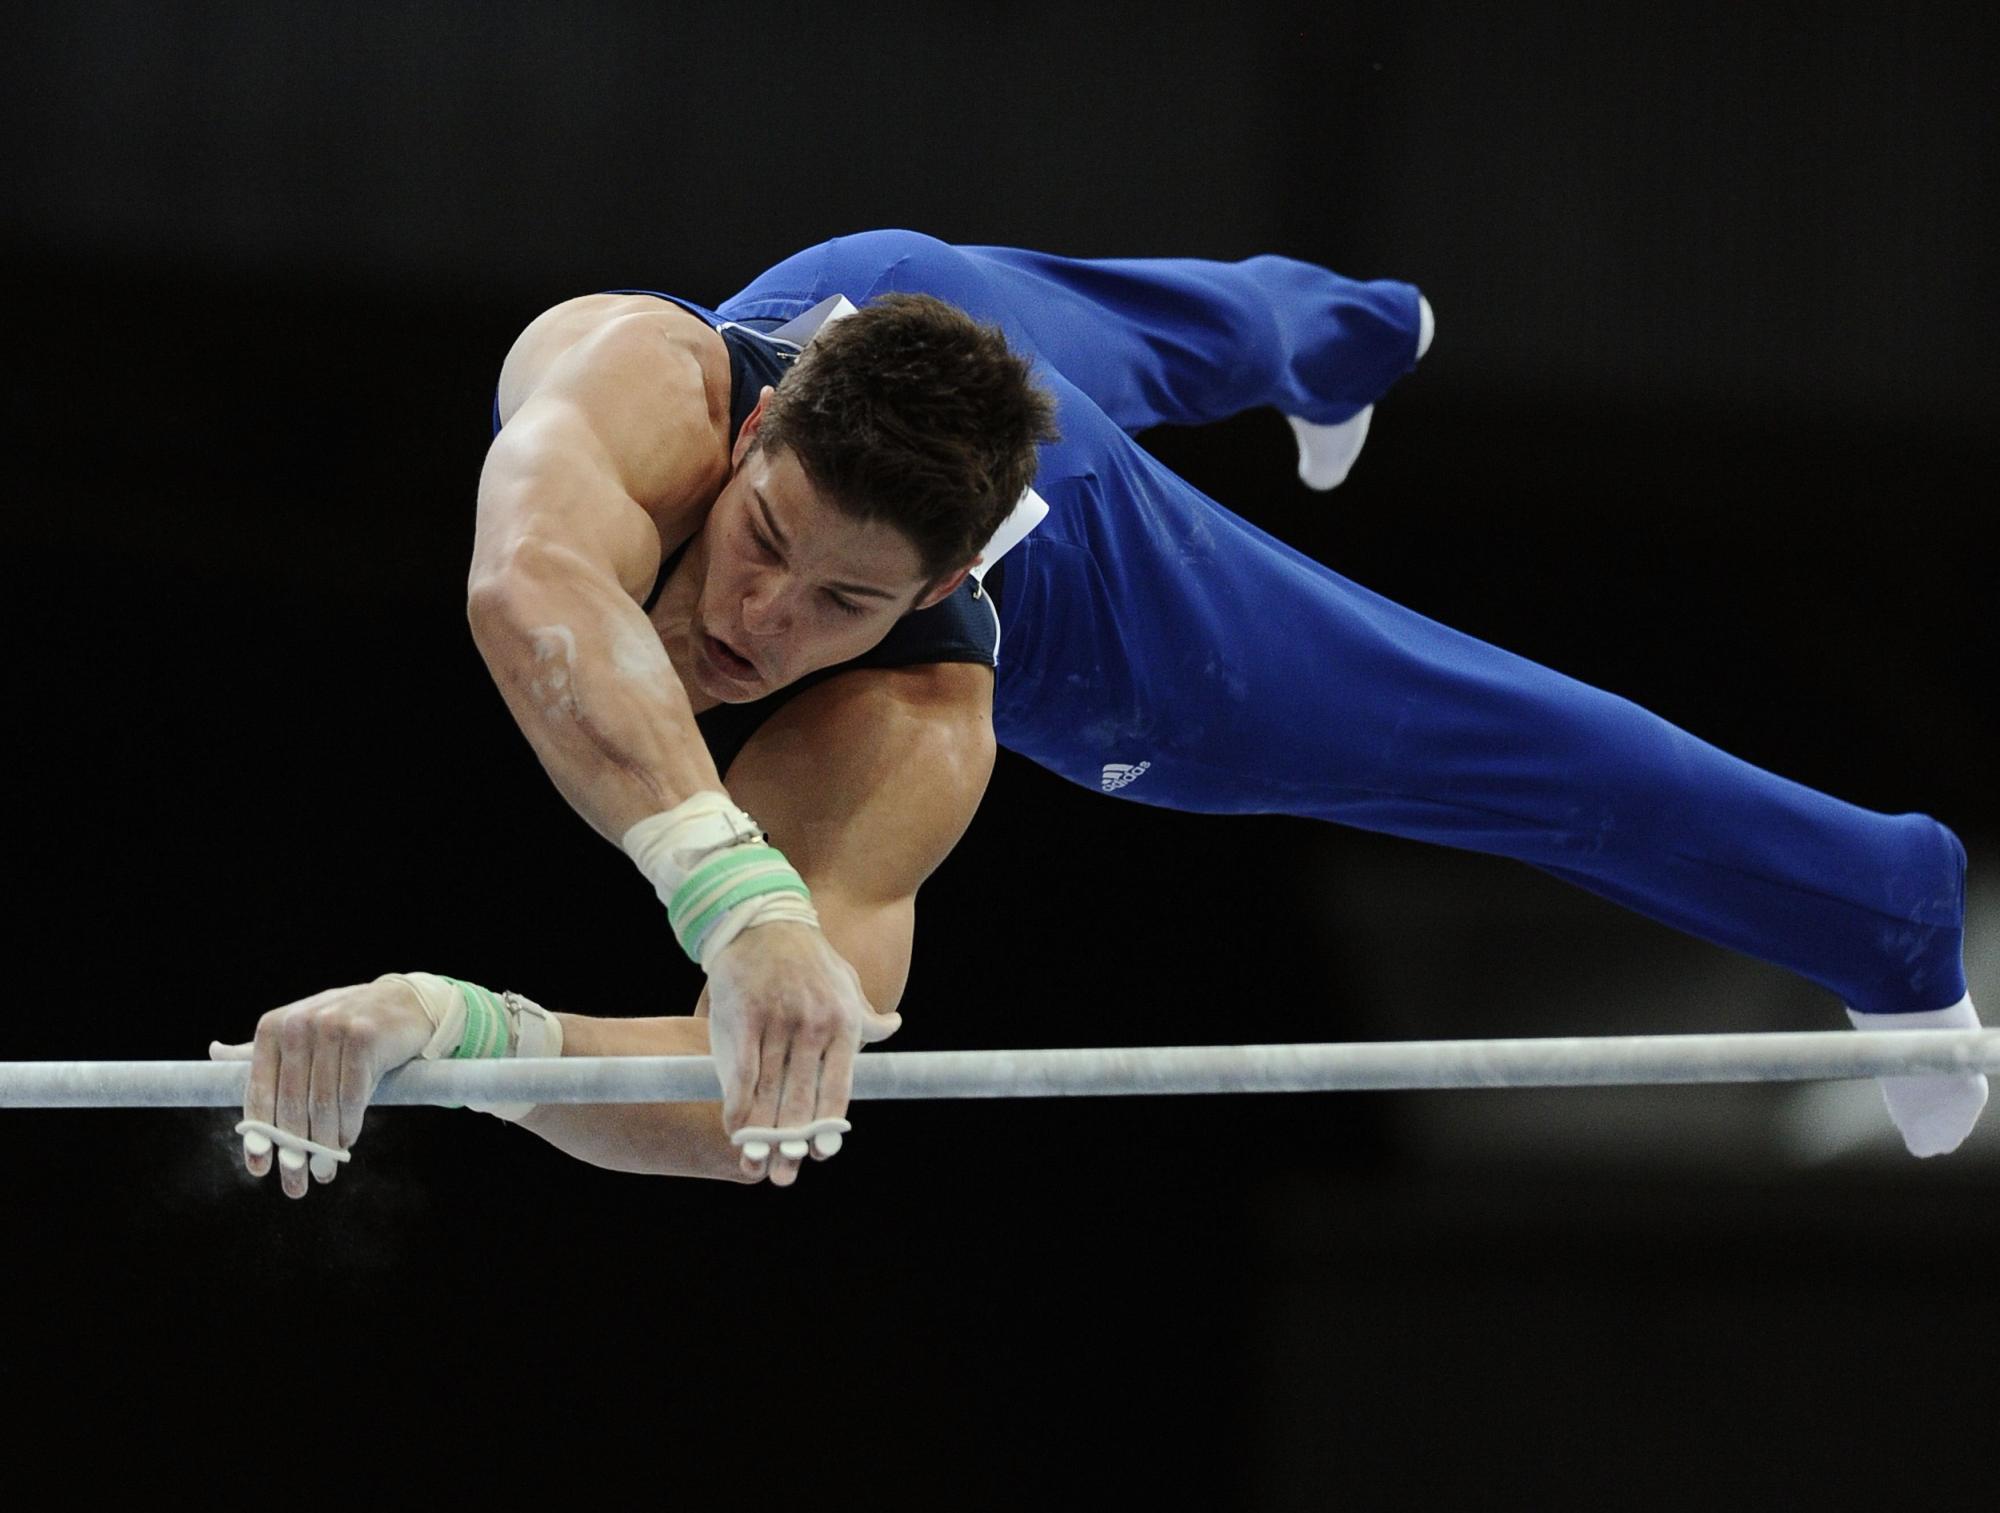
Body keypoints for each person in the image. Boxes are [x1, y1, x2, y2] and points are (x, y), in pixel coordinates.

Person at [212, 229, 1984, 1199]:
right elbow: (528, 596)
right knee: (1071, 326)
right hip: (907, 289)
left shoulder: (918, 708)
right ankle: (1347, 330)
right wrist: (733, 899)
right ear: (751, 434)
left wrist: (458, 1031)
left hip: (1107, 602)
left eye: (838, 600)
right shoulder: (631, 377)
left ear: (929, 589)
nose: (757, 620)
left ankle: (1878, 902)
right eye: (762, 543)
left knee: (1477, 742)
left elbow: (757, 1108)